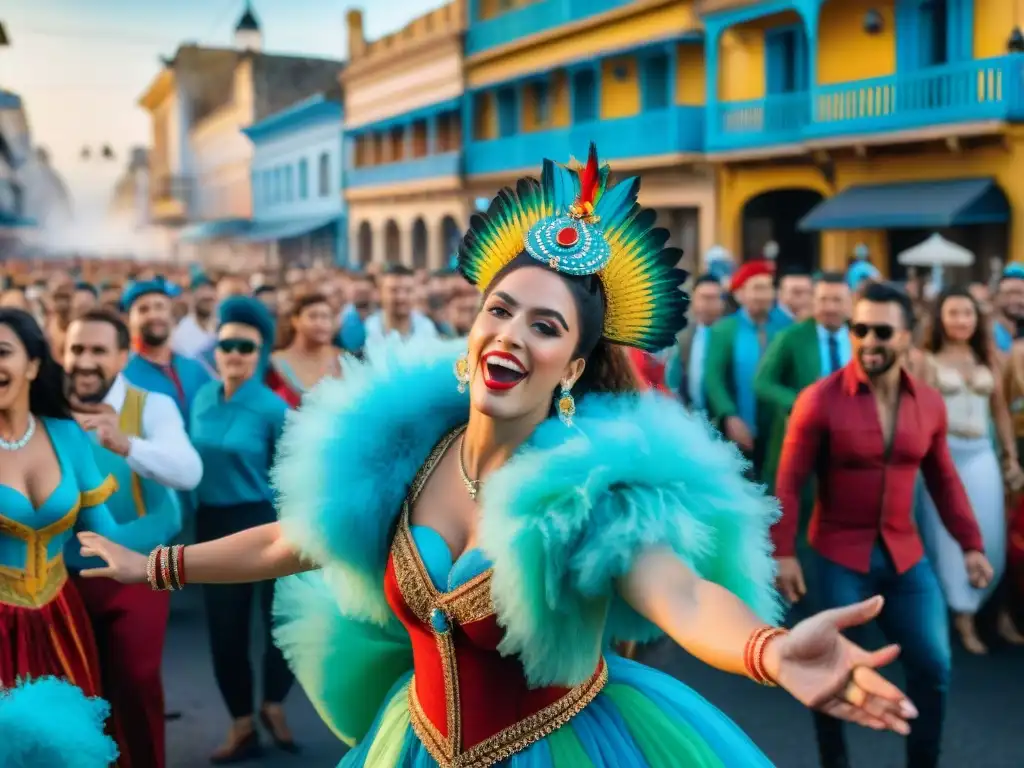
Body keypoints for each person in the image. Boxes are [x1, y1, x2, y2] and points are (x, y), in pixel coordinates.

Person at [80, 146, 915, 768]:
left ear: (573, 369)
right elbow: (287, 541)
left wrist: (772, 651)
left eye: (545, 326)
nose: (512, 334)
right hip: (417, 743)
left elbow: (682, 595)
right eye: (501, 310)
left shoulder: (590, 488)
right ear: (474, 325)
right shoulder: (405, 452)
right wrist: (153, 564)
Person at [772, 281, 994, 768]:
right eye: (860, 329)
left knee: (933, 666)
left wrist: (971, 545)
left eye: (883, 331)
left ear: (908, 336)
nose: (869, 340)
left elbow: (944, 479)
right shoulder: (818, 400)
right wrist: (783, 553)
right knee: (830, 674)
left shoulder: (929, 403)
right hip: (837, 555)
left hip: (905, 556)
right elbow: (788, 482)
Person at [0, 307, 161, 766]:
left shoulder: (67, 436)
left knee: (70, 750)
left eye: (2, 353)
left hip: (61, 623)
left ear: (33, 365)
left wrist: (172, 557)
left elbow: (106, 537)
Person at [63, 308, 203, 768]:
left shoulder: (151, 405)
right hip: (61, 576)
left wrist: (125, 443)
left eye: (98, 350)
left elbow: (188, 472)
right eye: (76, 349)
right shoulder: (45, 407)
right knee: (76, 691)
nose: (85, 361)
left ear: (123, 356)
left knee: (137, 681)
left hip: (136, 570)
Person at [187, 296, 295, 762]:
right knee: (225, 631)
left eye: (246, 347)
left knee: (279, 625)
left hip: (263, 520)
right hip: (213, 522)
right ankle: (242, 723)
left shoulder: (273, 408)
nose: (234, 354)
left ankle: (273, 703)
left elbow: (289, 475)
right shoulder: (201, 398)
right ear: (215, 349)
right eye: (226, 344)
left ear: (261, 353)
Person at [917, 286, 1024, 653]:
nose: (961, 320)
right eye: (953, 313)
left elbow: (1001, 412)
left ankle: (985, 608)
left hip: (981, 454)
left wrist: (1009, 456)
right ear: (940, 318)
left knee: (990, 535)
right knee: (947, 539)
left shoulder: (989, 358)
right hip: (941, 455)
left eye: (967, 313)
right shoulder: (926, 360)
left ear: (977, 319)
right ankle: (961, 617)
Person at [265, 291, 342, 408]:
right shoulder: (273, 363)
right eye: (313, 316)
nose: (320, 323)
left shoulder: (344, 359)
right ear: (295, 321)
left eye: (326, 317)